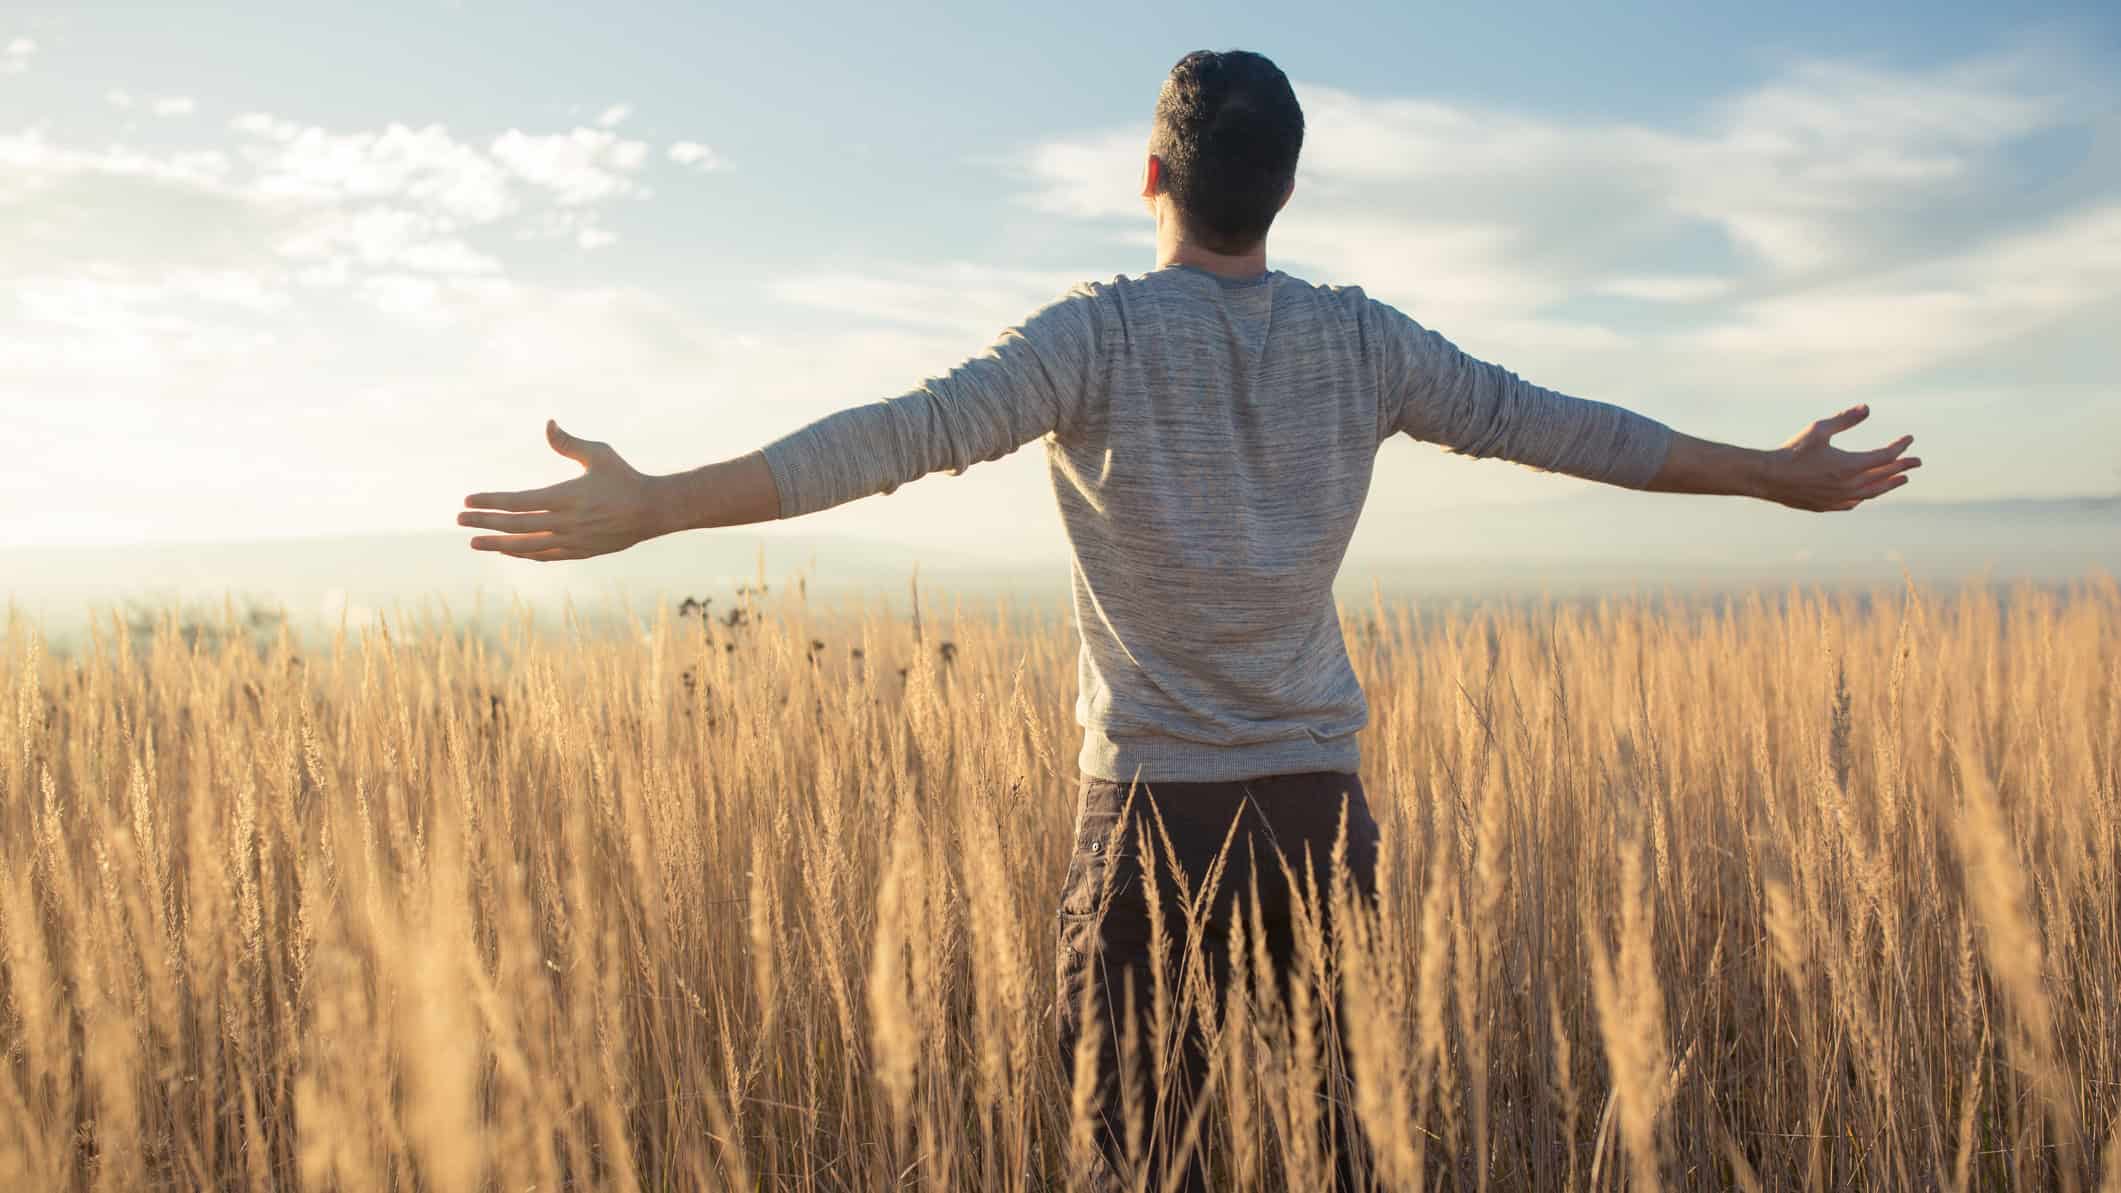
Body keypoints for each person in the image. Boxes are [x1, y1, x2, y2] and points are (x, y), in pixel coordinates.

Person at [456, 48, 1920, 1190]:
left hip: (1150, 819)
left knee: (1142, 1157)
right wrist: (1765, 478)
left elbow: (890, 438)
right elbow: (1562, 426)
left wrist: (660, 504)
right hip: (1314, 815)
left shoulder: (1090, 337)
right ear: (1279, 192)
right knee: (1330, 1153)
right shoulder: (1363, 342)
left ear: (1149, 172)